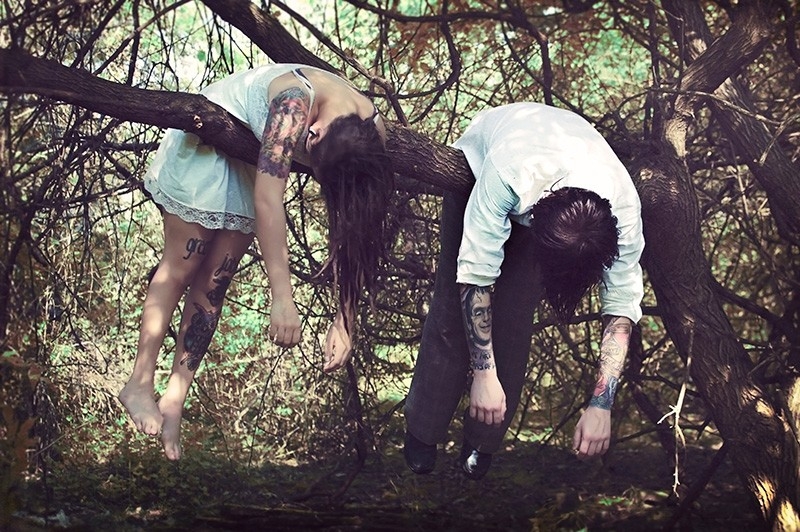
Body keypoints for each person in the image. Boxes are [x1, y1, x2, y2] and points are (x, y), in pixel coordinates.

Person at [118, 63, 393, 460]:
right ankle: (139, 383)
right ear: (311, 134)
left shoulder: (372, 132)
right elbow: (269, 200)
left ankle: (175, 397)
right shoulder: (293, 107)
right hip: (208, 145)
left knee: (215, 281)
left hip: (249, 158)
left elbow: (355, 226)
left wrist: (345, 320)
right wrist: (282, 297)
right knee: (182, 266)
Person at [403, 102, 644, 479]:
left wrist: (602, 405)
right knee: (452, 310)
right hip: (484, 168)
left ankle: (483, 441)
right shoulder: (507, 172)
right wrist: (483, 376)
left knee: (514, 322)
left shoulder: (624, 212)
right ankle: (423, 428)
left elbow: (621, 306)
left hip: (557, 188)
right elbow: (474, 276)